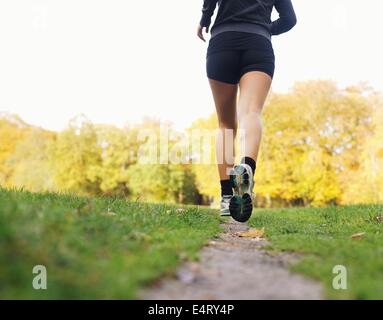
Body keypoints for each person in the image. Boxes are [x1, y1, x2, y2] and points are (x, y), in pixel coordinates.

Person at [197, 0, 297, 222]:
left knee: (225, 124)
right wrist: (264, 28)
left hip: (223, 42)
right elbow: (290, 19)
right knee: (251, 112)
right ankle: (247, 167)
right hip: (258, 44)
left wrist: (205, 19)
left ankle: (225, 198)